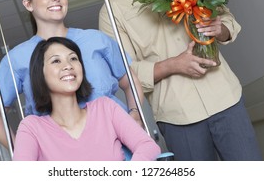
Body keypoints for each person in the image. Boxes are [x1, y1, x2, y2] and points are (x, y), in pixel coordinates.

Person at [98, 0, 262, 161]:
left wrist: (220, 28)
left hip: (225, 98)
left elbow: (226, 18)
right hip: (177, 117)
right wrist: (173, 65)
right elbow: (124, 74)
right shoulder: (111, 10)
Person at [0, 0, 145, 150]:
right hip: (62, 155)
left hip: (120, 148)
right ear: (28, 4)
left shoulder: (96, 40)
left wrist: (135, 115)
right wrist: (23, 152)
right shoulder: (16, 59)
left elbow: (130, 82)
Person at [13, 37, 160, 161]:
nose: (68, 66)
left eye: (73, 58)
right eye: (56, 61)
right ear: (40, 73)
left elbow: (147, 146)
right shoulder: (31, 127)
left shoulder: (105, 108)